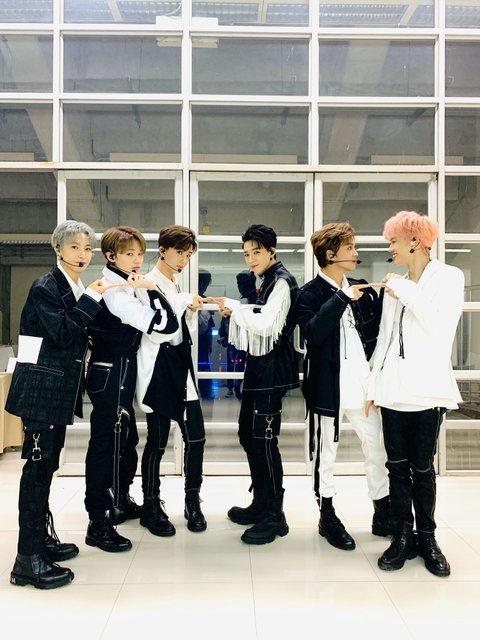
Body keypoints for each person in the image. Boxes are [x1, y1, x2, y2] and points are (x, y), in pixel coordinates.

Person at [6, 220, 107, 590]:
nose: (83, 254)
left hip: (56, 393)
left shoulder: (72, 286)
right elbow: (63, 333)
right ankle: (27, 560)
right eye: (75, 247)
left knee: (46, 468)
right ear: (58, 249)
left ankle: (41, 541)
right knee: (36, 473)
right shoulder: (46, 286)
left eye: (87, 248)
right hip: (40, 392)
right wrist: (92, 299)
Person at [366, 210, 464, 577]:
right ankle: (402, 535)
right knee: (396, 468)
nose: (389, 248)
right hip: (392, 391)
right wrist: (373, 384)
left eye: (393, 241)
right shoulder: (399, 285)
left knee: (422, 468)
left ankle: (428, 538)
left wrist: (406, 292)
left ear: (414, 241)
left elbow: (440, 328)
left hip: (428, 391)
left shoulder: (449, 277)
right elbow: (386, 339)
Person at [294, 222, 390, 551]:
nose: (356, 253)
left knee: (377, 447)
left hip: (363, 387)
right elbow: (313, 334)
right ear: (331, 254)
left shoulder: (362, 289)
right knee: (325, 455)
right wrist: (339, 298)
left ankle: (383, 510)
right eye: (350, 248)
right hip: (327, 389)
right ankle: (328, 516)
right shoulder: (308, 294)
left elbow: (376, 335)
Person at [84, 226, 178, 553]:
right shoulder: (114, 290)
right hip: (110, 370)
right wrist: (153, 289)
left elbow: (163, 325)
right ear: (111, 256)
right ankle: (99, 520)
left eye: (140, 253)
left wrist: (146, 290)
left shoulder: (126, 284)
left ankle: (120, 499)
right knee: (106, 443)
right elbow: (163, 324)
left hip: (121, 369)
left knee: (125, 439)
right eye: (129, 254)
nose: (137, 260)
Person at [211, 224, 299, 545]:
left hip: (272, 373)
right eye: (247, 254)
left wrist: (237, 308)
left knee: (264, 440)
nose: (250, 259)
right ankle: (261, 503)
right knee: (248, 435)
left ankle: (275, 515)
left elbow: (265, 324)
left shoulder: (282, 282)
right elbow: (257, 317)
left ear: (272, 251)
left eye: (256, 252)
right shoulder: (266, 282)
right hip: (259, 370)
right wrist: (237, 311)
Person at [136, 225, 207, 535]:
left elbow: (180, 331)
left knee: (197, 438)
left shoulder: (174, 285)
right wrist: (184, 301)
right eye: (180, 253)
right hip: (159, 370)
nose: (184, 260)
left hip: (180, 367)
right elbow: (157, 329)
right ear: (162, 250)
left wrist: (189, 309)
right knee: (157, 441)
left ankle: (192, 502)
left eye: (188, 255)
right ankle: (150, 505)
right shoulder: (146, 284)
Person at [218, 271, 257, 399]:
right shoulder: (247, 300)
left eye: (240, 284)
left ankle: (238, 389)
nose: (239, 288)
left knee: (242, 365)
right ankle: (234, 388)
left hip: (249, 342)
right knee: (234, 364)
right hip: (237, 341)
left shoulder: (255, 300)